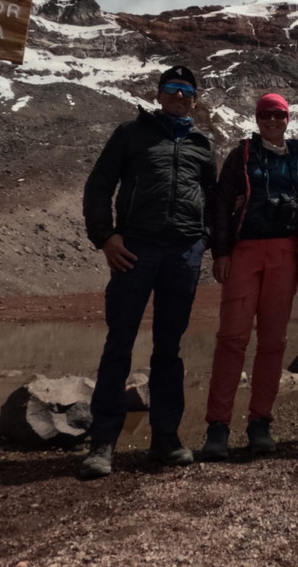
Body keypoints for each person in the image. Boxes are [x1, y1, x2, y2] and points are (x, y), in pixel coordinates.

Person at [78, 65, 216, 480]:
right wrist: (105, 237)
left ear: (195, 100)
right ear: (159, 94)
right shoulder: (130, 134)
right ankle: (103, 441)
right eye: (172, 88)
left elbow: (214, 199)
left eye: (187, 91)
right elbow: (99, 186)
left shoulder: (202, 144)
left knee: (169, 348)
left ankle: (165, 438)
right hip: (134, 250)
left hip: (183, 255)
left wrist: (203, 240)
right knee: (119, 344)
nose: (179, 95)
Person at [200, 93, 298, 460]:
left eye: (278, 114)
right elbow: (221, 203)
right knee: (232, 338)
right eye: (265, 114)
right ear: (257, 118)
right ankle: (218, 426)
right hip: (244, 251)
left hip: (285, 253)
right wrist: (221, 252)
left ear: (287, 118)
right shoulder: (242, 155)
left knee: (273, 341)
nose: (272, 120)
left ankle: (260, 422)